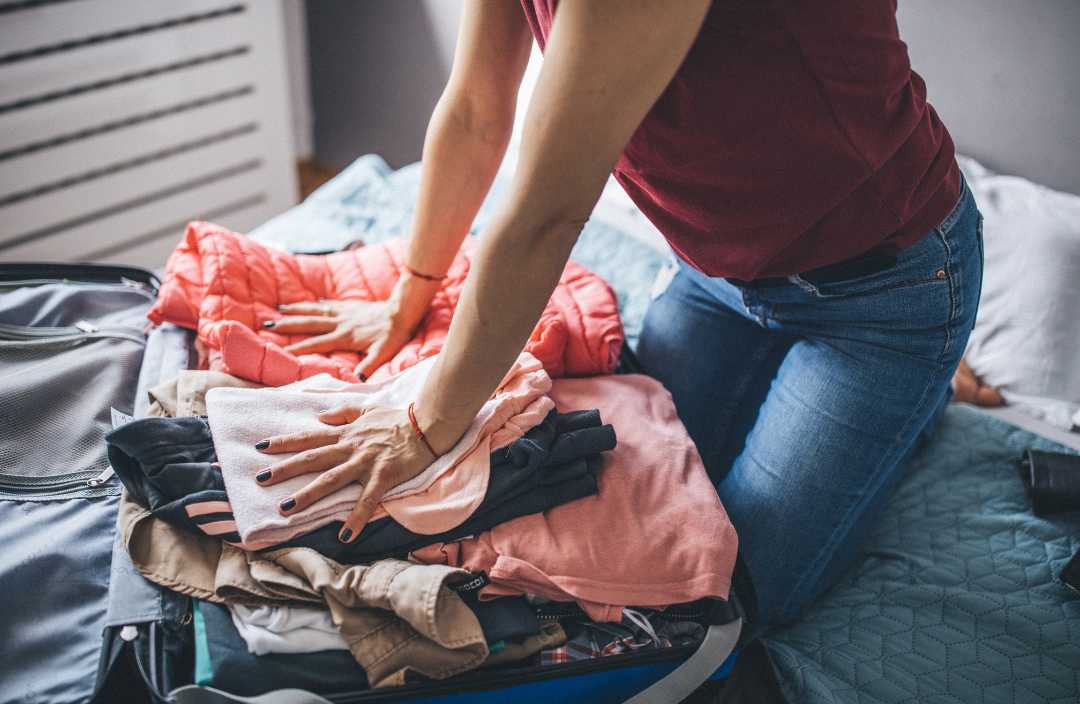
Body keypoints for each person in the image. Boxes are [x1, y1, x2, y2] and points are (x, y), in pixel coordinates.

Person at [252, 0, 983, 630]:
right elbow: (476, 110)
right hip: (716, 274)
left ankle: (923, 389)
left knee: (724, 593)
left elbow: (545, 213)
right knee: (617, 492)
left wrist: (419, 427)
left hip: (877, 293)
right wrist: (410, 292)